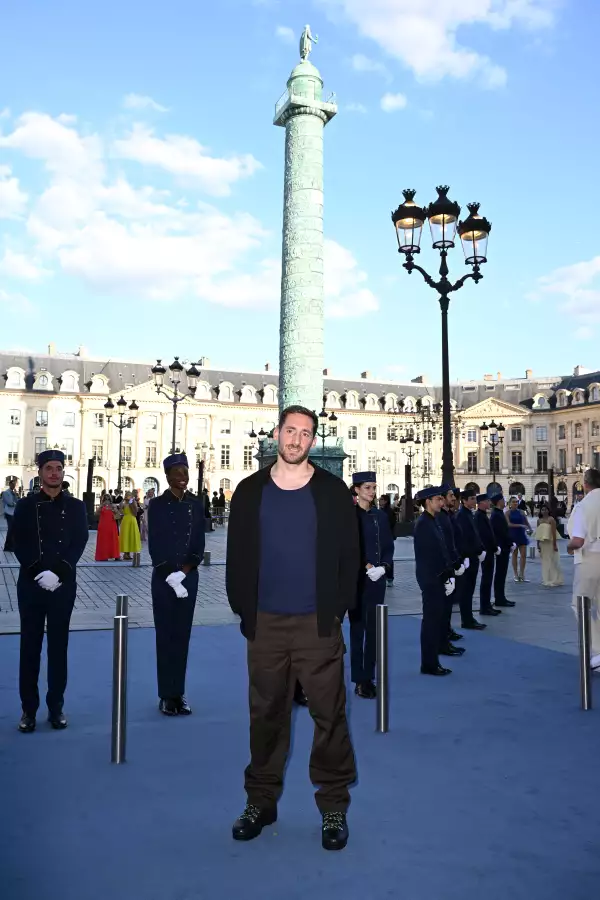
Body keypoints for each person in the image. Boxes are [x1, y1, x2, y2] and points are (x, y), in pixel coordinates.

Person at [226, 405, 359, 852]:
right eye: (290, 430)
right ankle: (260, 801)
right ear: (277, 434)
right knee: (265, 715)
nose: (297, 439)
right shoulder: (248, 492)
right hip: (264, 623)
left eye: (306, 433)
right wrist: (245, 611)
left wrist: (337, 611)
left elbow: (349, 556)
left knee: (329, 716)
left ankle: (333, 805)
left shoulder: (333, 492)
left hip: (317, 624)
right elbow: (237, 556)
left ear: (313, 441)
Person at [12, 449, 88, 732]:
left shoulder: (77, 506)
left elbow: (78, 542)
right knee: (29, 648)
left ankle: (56, 707)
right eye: (49, 469)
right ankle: (28, 710)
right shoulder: (25, 506)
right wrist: (36, 571)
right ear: (40, 472)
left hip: (62, 586)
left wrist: (59, 573)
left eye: (58, 468)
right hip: (31, 587)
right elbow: (18, 543)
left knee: (59, 648)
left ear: (63, 472)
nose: (54, 473)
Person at [147, 454, 204, 715]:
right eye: (178, 473)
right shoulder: (157, 505)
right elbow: (155, 543)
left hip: (187, 577)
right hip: (163, 578)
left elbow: (198, 542)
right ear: (167, 475)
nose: (183, 478)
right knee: (165, 636)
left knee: (182, 636)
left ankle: (178, 693)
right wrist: (169, 573)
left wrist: (185, 570)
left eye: (186, 473)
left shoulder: (196, 503)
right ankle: (165, 695)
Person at [350, 474, 394, 698]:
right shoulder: (350, 516)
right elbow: (349, 547)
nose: (372, 491)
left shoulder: (380, 516)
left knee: (375, 630)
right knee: (358, 631)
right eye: (367, 487)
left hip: (378, 579)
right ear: (356, 490)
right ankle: (360, 679)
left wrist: (384, 566)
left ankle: (370, 676)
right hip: (358, 580)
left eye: (374, 487)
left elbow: (388, 544)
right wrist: (368, 566)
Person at [413, 486, 455, 676]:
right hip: (431, 579)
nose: (441, 502)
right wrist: (444, 576)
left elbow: (442, 550)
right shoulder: (424, 523)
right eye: (438, 499)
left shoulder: (433, 521)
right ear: (427, 502)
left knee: (435, 620)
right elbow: (429, 556)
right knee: (431, 622)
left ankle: (432, 660)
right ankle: (429, 664)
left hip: (437, 577)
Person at [567, 468, 600, 670]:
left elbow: (578, 540)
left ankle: (597, 649)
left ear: (585, 484)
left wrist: (570, 547)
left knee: (581, 605)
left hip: (589, 559)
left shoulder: (583, 506)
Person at [437, 485, 466, 648]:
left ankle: (446, 631)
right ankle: (443, 638)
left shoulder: (449, 515)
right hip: (447, 566)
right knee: (445, 604)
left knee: (449, 604)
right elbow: (446, 543)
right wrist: (453, 564)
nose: (454, 498)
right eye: (450, 496)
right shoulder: (441, 517)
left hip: (454, 562)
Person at [455, 489, 487, 630]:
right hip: (468, 557)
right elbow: (464, 538)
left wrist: (480, 549)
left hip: (473, 556)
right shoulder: (462, 515)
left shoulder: (468, 514)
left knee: (470, 589)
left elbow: (475, 535)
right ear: (464, 500)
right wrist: (467, 555)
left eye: (475, 499)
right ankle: (466, 620)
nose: (475, 501)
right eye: (472, 499)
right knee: (466, 590)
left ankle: (469, 618)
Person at [475, 494, 502, 617]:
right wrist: (492, 547)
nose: (489, 503)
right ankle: (484, 607)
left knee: (488, 579)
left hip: (489, 551)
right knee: (486, 579)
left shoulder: (483, 515)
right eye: (486, 501)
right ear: (480, 503)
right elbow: (484, 536)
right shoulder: (479, 516)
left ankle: (486, 604)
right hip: (486, 552)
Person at [489, 494, 516, 608]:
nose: (505, 502)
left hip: (503, 547)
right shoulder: (497, 515)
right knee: (500, 573)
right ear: (499, 501)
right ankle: (499, 598)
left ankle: (501, 597)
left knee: (502, 573)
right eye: (503, 500)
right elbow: (502, 532)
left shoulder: (498, 513)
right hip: (502, 547)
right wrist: (510, 543)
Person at [536, 505, 564, 587]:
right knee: (545, 561)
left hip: (550, 542)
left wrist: (554, 544)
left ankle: (555, 578)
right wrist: (538, 544)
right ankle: (546, 578)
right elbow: (538, 533)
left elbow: (553, 533)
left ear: (548, 511)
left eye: (545, 509)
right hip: (543, 543)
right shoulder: (539, 521)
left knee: (553, 560)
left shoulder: (551, 519)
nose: (544, 511)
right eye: (542, 509)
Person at [507, 498, 530, 582]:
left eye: (516, 502)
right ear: (510, 503)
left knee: (523, 555)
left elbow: (526, 522)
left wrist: (530, 529)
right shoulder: (507, 513)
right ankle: (515, 574)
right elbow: (508, 524)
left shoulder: (521, 512)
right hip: (513, 535)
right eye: (513, 502)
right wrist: (520, 525)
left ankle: (522, 573)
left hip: (521, 535)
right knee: (515, 555)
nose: (515, 503)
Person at [378, 493, 396, 586]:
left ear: (385, 501)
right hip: (382, 537)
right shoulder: (381, 511)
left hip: (387, 536)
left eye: (381, 499)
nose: (379, 501)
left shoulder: (388, 512)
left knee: (388, 557)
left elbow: (391, 524)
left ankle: (389, 577)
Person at [95, 494, 120, 561]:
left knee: (113, 539)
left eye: (108, 499)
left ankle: (115, 555)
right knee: (104, 539)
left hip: (111, 524)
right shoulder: (101, 506)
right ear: (103, 500)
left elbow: (118, 514)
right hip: (103, 525)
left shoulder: (113, 506)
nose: (107, 500)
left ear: (110, 499)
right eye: (105, 499)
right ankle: (104, 555)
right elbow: (96, 514)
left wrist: (114, 510)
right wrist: (101, 506)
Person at [119, 491, 141, 560]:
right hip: (125, 520)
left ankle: (129, 553)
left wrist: (131, 502)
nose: (127, 497)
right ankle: (125, 553)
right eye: (126, 495)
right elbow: (120, 509)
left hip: (132, 519)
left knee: (131, 536)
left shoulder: (133, 502)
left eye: (129, 495)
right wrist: (122, 501)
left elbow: (135, 513)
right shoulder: (123, 503)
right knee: (125, 536)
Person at [2, 477, 19, 552]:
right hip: (9, 513)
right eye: (12, 484)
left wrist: (15, 495)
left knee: (13, 530)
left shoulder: (13, 493)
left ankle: (10, 546)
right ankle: (8, 546)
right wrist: (15, 503)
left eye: (14, 484)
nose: (13, 486)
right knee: (10, 529)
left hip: (14, 513)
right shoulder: (6, 493)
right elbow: (9, 503)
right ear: (9, 484)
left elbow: (17, 501)